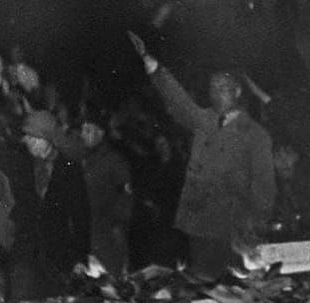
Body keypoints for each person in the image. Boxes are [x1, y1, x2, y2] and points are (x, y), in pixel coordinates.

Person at [129, 33, 277, 276]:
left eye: (223, 89)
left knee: (230, 294)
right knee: (200, 288)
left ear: (238, 92)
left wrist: (254, 232)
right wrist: (153, 65)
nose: (216, 93)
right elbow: (180, 101)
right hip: (197, 224)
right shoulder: (205, 120)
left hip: (231, 231)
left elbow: (265, 190)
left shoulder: (256, 135)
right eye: (212, 88)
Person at [9, 110, 91, 301]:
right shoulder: (22, 164)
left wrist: (80, 258)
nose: (27, 141)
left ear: (47, 138)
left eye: (33, 137)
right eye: (26, 136)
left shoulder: (69, 169)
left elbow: (81, 216)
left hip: (58, 258)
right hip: (26, 255)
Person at [78, 117, 133, 275]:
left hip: (107, 234)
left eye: (88, 130)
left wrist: (118, 224)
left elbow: (126, 196)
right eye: (82, 130)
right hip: (88, 232)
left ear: (100, 133)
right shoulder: (83, 159)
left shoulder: (114, 162)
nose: (83, 134)